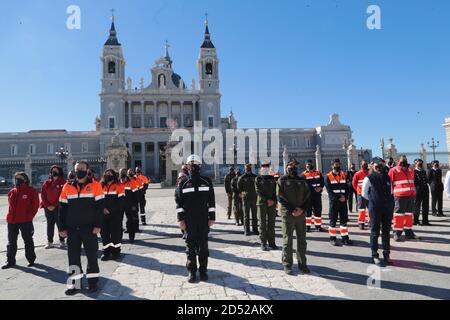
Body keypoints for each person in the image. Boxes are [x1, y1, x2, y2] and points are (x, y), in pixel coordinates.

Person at [59, 161, 104, 295]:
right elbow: (62, 209)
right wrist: (61, 228)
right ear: (74, 170)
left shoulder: (95, 185)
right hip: (72, 228)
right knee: (72, 257)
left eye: (82, 168)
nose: (80, 171)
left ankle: (92, 283)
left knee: (91, 256)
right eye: (78, 169)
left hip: (89, 228)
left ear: (87, 170)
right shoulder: (67, 187)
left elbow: (99, 208)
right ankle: (75, 284)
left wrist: (98, 225)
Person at [175, 155, 216, 283]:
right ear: (187, 166)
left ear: (199, 166)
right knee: (190, 248)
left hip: (203, 220)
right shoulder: (183, 183)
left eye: (195, 164)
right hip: (189, 221)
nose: (193, 166)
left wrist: (212, 218)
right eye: (190, 164)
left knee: (203, 247)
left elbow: (212, 201)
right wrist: (181, 220)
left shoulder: (207, 181)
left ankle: (203, 271)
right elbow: (179, 203)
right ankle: (192, 272)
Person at [277, 160, 311, 275]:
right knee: (288, 239)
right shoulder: (282, 180)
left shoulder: (302, 180)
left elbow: (307, 195)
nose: (293, 169)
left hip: (301, 214)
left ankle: (302, 263)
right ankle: (287, 264)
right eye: (290, 167)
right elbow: (280, 197)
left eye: (295, 167)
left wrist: (301, 209)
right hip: (288, 214)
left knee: (302, 240)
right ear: (286, 168)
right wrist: (293, 209)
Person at [2, 172, 39, 270]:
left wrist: (29, 216)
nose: (17, 179)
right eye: (16, 178)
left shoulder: (30, 191)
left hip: (25, 220)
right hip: (12, 221)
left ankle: (31, 260)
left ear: (25, 179)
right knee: (11, 242)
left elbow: (35, 205)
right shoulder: (12, 191)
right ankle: (10, 261)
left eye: (20, 178)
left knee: (28, 240)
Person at [361, 157, 394, 266]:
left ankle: (386, 254)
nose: (379, 166)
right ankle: (374, 255)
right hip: (375, 208)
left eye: (381, 164)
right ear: (372, 165)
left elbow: (391, 191)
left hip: (387, 207)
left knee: (386, 231)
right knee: (375, 232)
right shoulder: (369, 178)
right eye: (377, 164)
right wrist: (374, 200)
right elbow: (364, 194)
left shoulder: (387, 177)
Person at [389, 155, 420, 241]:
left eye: (405, 159)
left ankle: (408, 231)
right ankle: (397, 233)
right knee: (399, 214)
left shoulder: (411, 169)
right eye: (403, 159)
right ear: (398, 160)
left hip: (410, 195)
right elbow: (390, 183)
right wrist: (390, 195)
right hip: (399, 196)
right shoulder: (393, 170)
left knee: (409, 214)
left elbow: (411, 181)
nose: (405, 160)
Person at [325, 159, 353, 246]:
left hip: (343, 202)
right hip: (334, 202)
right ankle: (332, 238)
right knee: (333, 221)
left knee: (343, 221)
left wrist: (345, 197)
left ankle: (345, 238)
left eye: (338, 164)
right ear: (332, 165)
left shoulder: (344, 175)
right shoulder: (328, 176)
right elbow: (329, 191)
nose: (337, 166)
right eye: (335, 165)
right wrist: (339, 197)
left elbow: (348, 187)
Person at [100, 169, 125, 261]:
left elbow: (121, 201)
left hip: (115, 215)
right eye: (106, 174)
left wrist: (110, 210)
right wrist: (103, 209)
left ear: (114, 175)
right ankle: (106, 252)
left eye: (110, 174)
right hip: (103, 215)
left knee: (115, 234)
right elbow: (98, 200)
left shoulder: (119, 186)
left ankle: (116, 251)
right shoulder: (100, 186)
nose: (108, 175)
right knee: (104, 234)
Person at [40, 165, 67, 249]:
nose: (54, 172)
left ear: (59, 172)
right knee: (50, 224)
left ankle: (62, 241)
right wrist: (48, 205)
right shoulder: (47, 183)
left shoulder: (63, 182)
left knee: (60, 224)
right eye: (52, 171)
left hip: (59, 207)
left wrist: (54, 205)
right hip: (47, 207)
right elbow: (43, 195)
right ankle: (50, 242)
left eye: (56, 170)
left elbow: (63, 195)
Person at [255, 162, 278, 251]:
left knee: (271, 224)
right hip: (262, 204)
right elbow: (258, 191)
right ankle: (263, 243)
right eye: (263, 168)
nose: (265, 170)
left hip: (271, 204)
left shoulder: (272, 179)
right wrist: (267, 200)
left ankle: (272, 243)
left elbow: (275, 191)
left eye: (267, 168)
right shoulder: (258, 179)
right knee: (262, 224)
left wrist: (273, 200)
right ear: (261, 169)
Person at [301, 160, 325, 232]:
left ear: (312, 164)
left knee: (318, 211)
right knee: (308, 212)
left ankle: (318, 226)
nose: (309, 166)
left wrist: (320, 188)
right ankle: (307, 227)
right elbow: (303, 185)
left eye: (310, 164)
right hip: (308, 196)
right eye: (307, 165)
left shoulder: (318, 173)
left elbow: (322, 182)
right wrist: (313, 189)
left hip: (317, 195)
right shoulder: (303, 175)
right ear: (305, 166)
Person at [238, 164, 258, 236]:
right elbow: (239, 187)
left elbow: (257, 187)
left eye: (249, 168)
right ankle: (247, 230)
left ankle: (255, 229)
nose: (248, 169)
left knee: (254, 215)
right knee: (246, 216)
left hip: (254, 198)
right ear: (245, 169)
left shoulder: (255, 177)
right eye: (247, 168)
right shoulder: (242, 177)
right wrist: (242, 194)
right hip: (246, 199)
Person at [119, 168, 139, 243]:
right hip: (120, 206)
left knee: (130, 221)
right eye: (122, 172)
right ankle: (119, 238)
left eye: (124, 172)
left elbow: (136, 195)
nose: (123, 173)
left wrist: (135, 205)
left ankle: (131, 237)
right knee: (119, 222)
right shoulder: (117, 182)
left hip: (129, 205)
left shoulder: (132, 182)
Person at [352, 160, 370, 230]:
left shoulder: (369, 172)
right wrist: (358, 190)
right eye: (364, 164)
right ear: (361, 165)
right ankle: (361, 223)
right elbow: (354, 183)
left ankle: (370, 222)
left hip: (369, 194)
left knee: (370, 209)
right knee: (362, 209)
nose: (365, 165)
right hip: (361, 194)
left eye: (366, 164)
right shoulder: (357, 174)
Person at [414, 159, 430, 225]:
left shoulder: (423, 171)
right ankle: (416, 221)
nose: (420, 164)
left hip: (425, 190)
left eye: (421, 163)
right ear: (415, 163)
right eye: (418, 163)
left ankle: (425, 220)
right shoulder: (413, 171)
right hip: (418, 190)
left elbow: (426, 179)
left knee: (426, 206)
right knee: (417, 206)